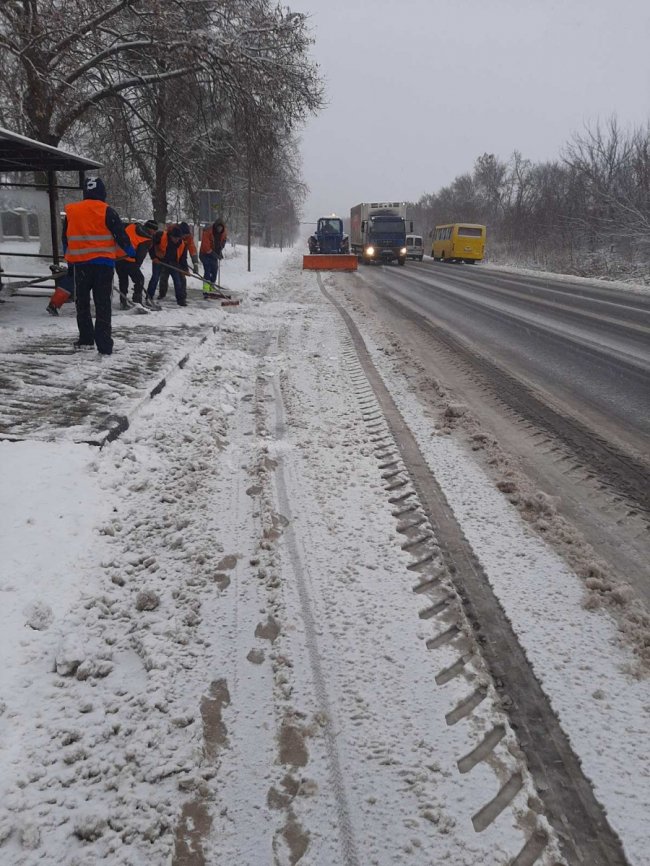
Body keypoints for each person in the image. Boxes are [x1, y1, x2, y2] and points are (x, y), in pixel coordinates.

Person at [63, 177, 135, 354]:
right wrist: (130, 252)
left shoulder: (72, 211)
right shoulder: (107, 211)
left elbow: (65, 239)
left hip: (80, 265)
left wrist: (70, 258)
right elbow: (120, 235)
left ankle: (86, 339)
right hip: (103, 266)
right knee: (103, 304)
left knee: (82, 303)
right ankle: (104, 344)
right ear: (102, 193)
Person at [115, 219, 158, 308]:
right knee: (139, 280)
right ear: (151, 229)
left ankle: (123, 302)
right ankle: (137, 302)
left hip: (117, 257)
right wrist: (137, 266)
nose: (154, 233)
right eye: (154, 230)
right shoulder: (146, 239)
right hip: (129, 259)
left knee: (123, 280)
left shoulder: (132, 226)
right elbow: (140, 255)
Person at [147, 225, 187, 306]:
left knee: (177, 280)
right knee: (155, 278)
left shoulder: (182, 244)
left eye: (178, 238)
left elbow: (182, 258)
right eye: (174, 238)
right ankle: (149, 297)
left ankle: (180, 300)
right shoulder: (161, 236)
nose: (176, 240)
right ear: (171, 236)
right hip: (159, 260)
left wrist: (185, 269)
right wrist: (153, 257)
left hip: (173, 263)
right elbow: (151, 245)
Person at [158, 221, 198, 300]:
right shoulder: (170, 233)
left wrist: (195, 263)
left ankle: (182, 296)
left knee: (182, 277)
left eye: (186, 235)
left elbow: (192, 249)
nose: (184, 237)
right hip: (166, 259)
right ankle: (162, 294)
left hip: (180, 259)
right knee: (164, 277)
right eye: (183, 235)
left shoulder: (188, 237)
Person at [199, 220, 227, 286]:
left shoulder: (223, 233)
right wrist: (215, 255)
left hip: (214, 255)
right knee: (207, 270)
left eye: (221, 228)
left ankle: (211, 287)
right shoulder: (208, 232)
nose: (219, 229)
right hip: (204, 254)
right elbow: (206, 247)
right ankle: (206, 288)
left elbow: (223, 241)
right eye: (218, 227)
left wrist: (220, 250)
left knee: (214, 271)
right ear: (216, 227)